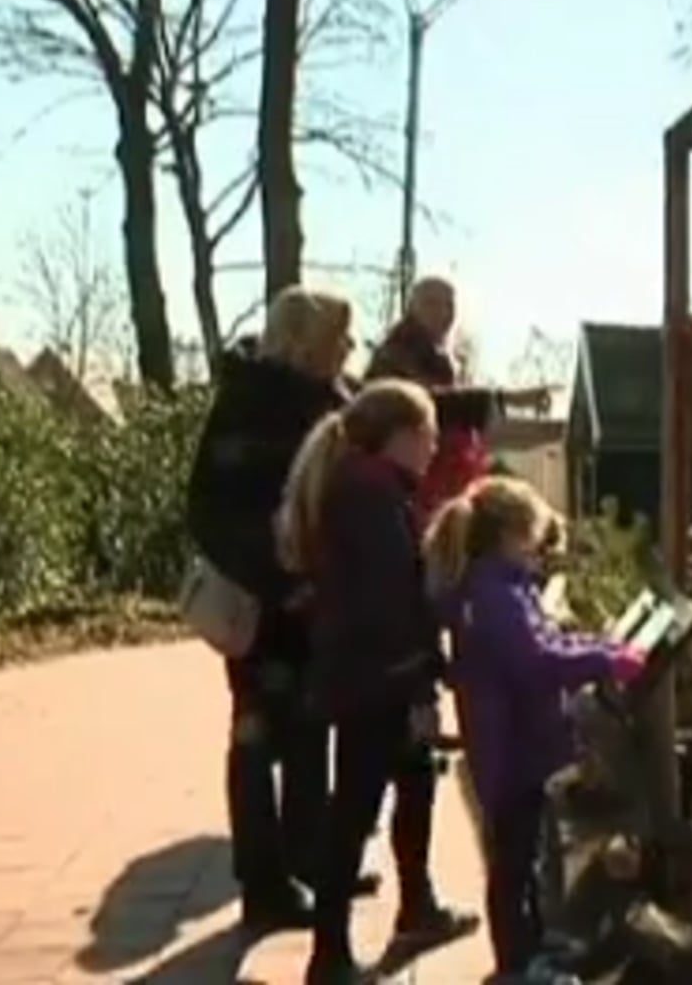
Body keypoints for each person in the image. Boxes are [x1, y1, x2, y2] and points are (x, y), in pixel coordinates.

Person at [277, 380, 477, 983]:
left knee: (411, 785)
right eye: (429, 436)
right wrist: (421, 675)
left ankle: (415, 907)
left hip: (363, 670)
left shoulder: (363, 487)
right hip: (378, 676)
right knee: (356, 808)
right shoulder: (371, 497)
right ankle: (329, 952)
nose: (434, 448)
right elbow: (390, 598)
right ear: (402, 436)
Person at [185, 285, 367, 932]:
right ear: (307, 342)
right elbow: (209, 508)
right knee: (259, 735)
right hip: (267, 610)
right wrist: (275, 580)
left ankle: (310, 859)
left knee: (310, 730)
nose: (350, 349)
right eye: (339, 338)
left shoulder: (329, 400)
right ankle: (263, 881)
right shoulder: (251, 406)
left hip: (311, 603)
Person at [425, 477, 645, 979]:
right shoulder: (495, 594)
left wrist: (603, 651)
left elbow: (546, 641)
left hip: (516, 746)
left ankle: (533, 943)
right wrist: (605, 662)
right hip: (511, 751)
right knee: (513, 862)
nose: (538, 547)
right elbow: (537, 660)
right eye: (533, 534)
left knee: (527, 856)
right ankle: (516, 963)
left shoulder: (504, 586)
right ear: (512, 533)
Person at [367, 276, 549, 524]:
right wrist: (507, 399)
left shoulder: (436, 355)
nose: (443, 313)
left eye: (449, 305)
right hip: (411, 487)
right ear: (412, 308)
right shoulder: (399, 354)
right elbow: (431, 404)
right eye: (432, 304)